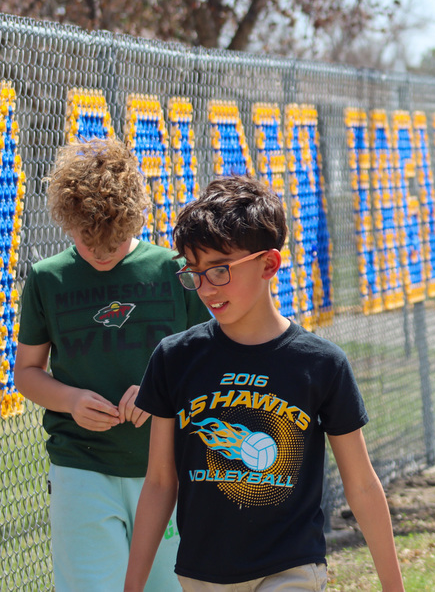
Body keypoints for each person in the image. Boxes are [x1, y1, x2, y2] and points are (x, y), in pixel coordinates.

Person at [124, 177, 403, 591]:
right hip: (202, 572)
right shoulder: (174, 357)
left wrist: (393, 587)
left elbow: (361, 484)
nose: (206, 289)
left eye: (220, 270)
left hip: (291, 567)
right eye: (194, 274)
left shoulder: (322, 364)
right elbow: (161, 482)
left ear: (269, 264)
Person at [13, 138, 210, 591]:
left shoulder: (174, 271)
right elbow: (26, 372)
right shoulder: (47, 280)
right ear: (67, 222)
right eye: (88, 240)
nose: (102, 253)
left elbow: (210, 358)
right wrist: (70, 399)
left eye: (115, 240)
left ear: (136, 218)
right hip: (80, 467)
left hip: (169, 467)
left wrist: (161, 392)